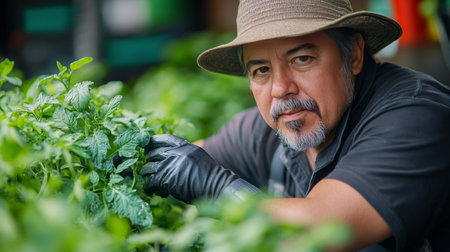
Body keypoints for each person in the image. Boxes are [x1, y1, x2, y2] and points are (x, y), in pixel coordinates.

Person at [139, 0, 450, 251]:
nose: (280, 88)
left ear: (354, 54)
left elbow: (324, 230)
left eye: (301, 59)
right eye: (261, 70)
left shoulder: (415, 114)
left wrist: (216, 188)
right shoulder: (262, 133)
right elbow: (183, 162)